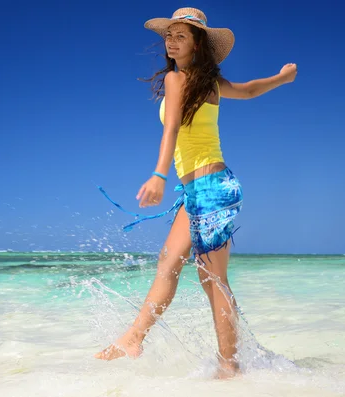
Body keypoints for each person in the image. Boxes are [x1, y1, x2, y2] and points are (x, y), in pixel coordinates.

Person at [94, 7, 297, 379]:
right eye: (168, 35)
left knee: (212, 279)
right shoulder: (208, 83)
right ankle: (133, 338)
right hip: (199, 190)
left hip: (211, 188)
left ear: (197, 43)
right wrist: (281, 79)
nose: (171, 41)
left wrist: (158, 174)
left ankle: (229, 366)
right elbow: (250, 90)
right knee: (169, 263)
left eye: (180, 35)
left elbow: (170, 129)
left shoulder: (180, 81)